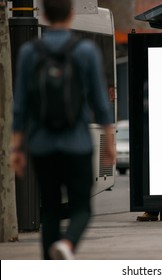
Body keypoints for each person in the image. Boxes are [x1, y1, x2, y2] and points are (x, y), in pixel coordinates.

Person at [10, 0, 115, 260]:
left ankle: (50, 263)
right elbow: (101, 104)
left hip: (42, 145)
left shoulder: (29, 52)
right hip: (77, 143)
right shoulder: (86, 51)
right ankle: (67, 245)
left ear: (42, 13)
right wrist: (110, 142)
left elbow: (20, 105)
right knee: (81, 208)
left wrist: (17, 148)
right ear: (71, 14)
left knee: (50, 210)